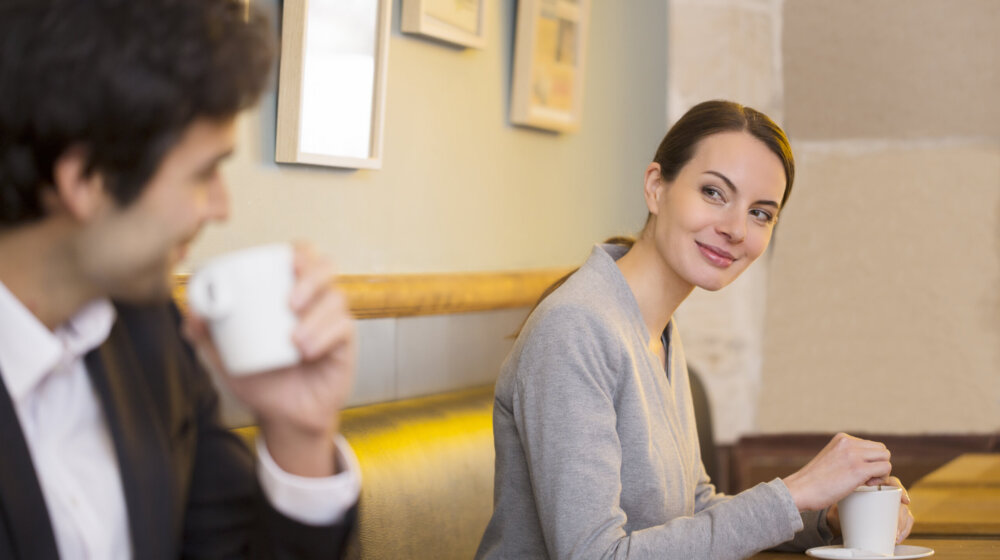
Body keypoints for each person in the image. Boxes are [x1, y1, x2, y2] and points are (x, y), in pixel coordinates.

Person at [475, 100, 915, 559]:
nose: (735, 228)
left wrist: (824, 516)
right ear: (655, 188)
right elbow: (594, 555)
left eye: (761, 213)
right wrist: (796, 490)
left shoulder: (656, 328)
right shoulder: (576, 327)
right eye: (713, 192)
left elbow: (695, 507)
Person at [0, 0, 360, 558]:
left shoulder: (152, 336)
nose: (221, 207)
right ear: (85, 182)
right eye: (205, 173)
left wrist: (299, 436)